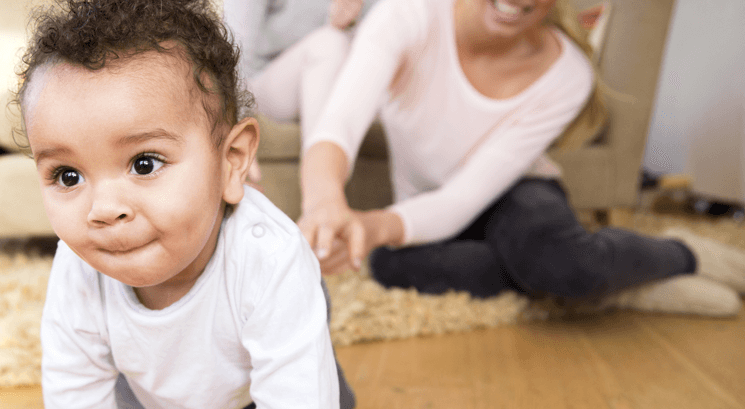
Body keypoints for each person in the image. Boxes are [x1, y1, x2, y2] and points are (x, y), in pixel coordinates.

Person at [15, 1, 355, 409]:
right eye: (68, 176)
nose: (103, 210)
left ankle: (306, 361)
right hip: (165, 393)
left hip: (257, 367)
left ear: (231, 162)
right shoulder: (78, 265)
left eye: (144, 163)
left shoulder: (268, 256)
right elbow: (72, 374)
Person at [297, 0, 745, 315]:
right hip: (425, 203)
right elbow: (338, 126)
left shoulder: (568, 74)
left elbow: (465, 198)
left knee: (557, 260)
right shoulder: (407, 14)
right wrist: (325, 203)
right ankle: (604, 287)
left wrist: (373, 223)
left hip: (519, 192)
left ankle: (685, 255)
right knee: (389, 264)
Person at [223, 0, 378, 182]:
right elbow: (235, 53)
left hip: (342, 78)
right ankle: (319, 188)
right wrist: (237, 123)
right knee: (329, 43)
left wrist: (348, 24)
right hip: (267, 81)